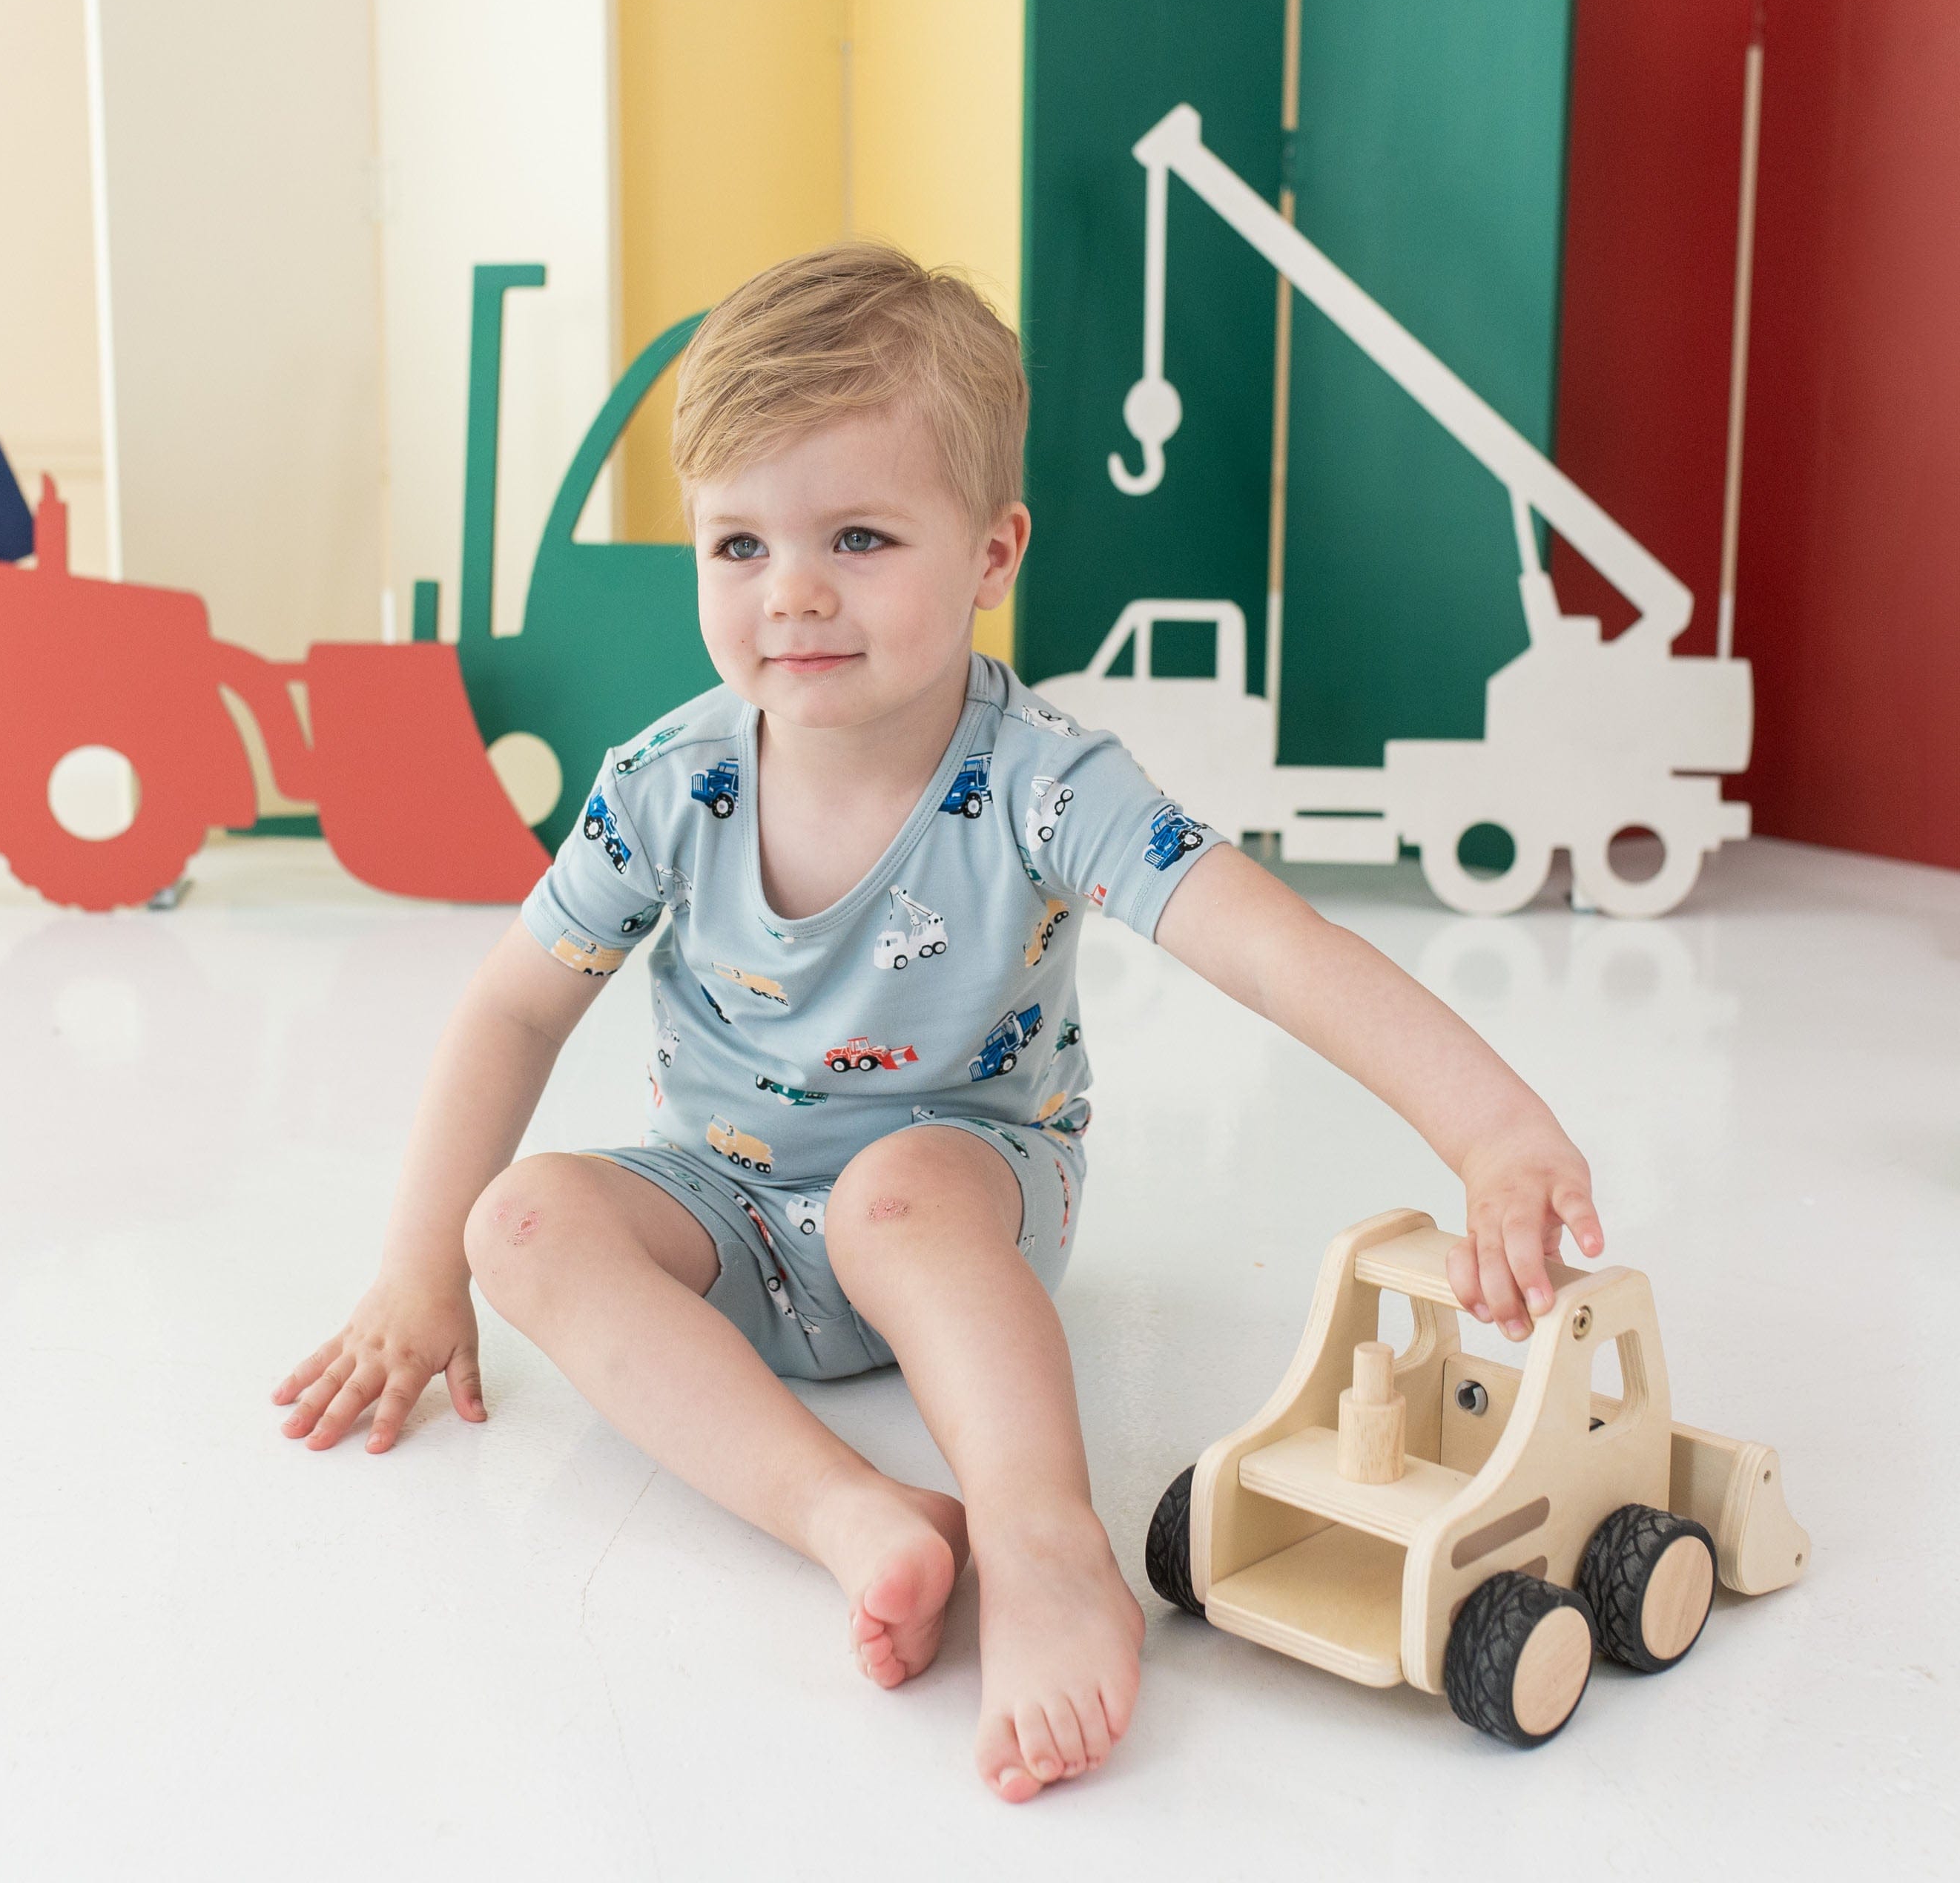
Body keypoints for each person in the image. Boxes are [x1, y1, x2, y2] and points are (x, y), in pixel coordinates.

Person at [273, 243, 1603, 1801]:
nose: (795, 594)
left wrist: (1494, 1130)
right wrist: (418, 1271)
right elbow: (510, 1010)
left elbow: (1274, 949)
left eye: (857, 535)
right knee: (520, 1228)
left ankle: (1045, 1541)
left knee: (902, 1193)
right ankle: (854, 1515)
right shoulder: (666, 782)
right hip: (731, 1203)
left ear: (991, 553)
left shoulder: (1041, 779)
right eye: (740, 543)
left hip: (961, 1191)